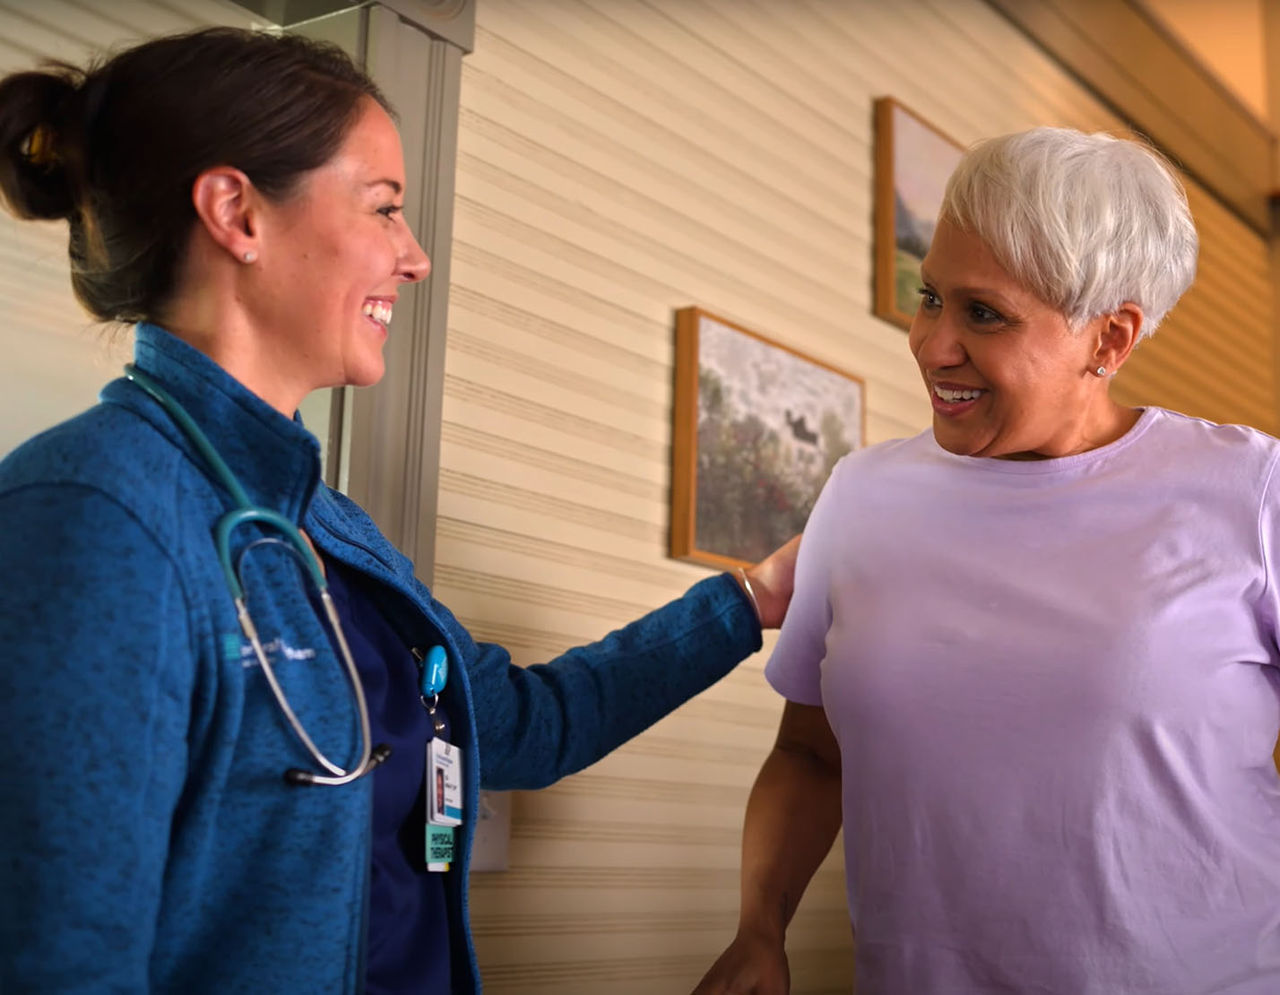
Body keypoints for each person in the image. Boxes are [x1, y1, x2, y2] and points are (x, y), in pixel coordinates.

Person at [0, 28, 800, 995]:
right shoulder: (92, 519)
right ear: (236, 213)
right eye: (384, 208)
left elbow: (518, 726)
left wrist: (750, 599)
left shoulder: (328, 528)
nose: (413, 258)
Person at [695, 126, 1280, 995]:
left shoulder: (1252, 490)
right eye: (931, 296)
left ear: (1109, 340)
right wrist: (758, 928)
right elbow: (813, 756)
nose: (933, 345)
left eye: (984, 313)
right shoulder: (862, 496)